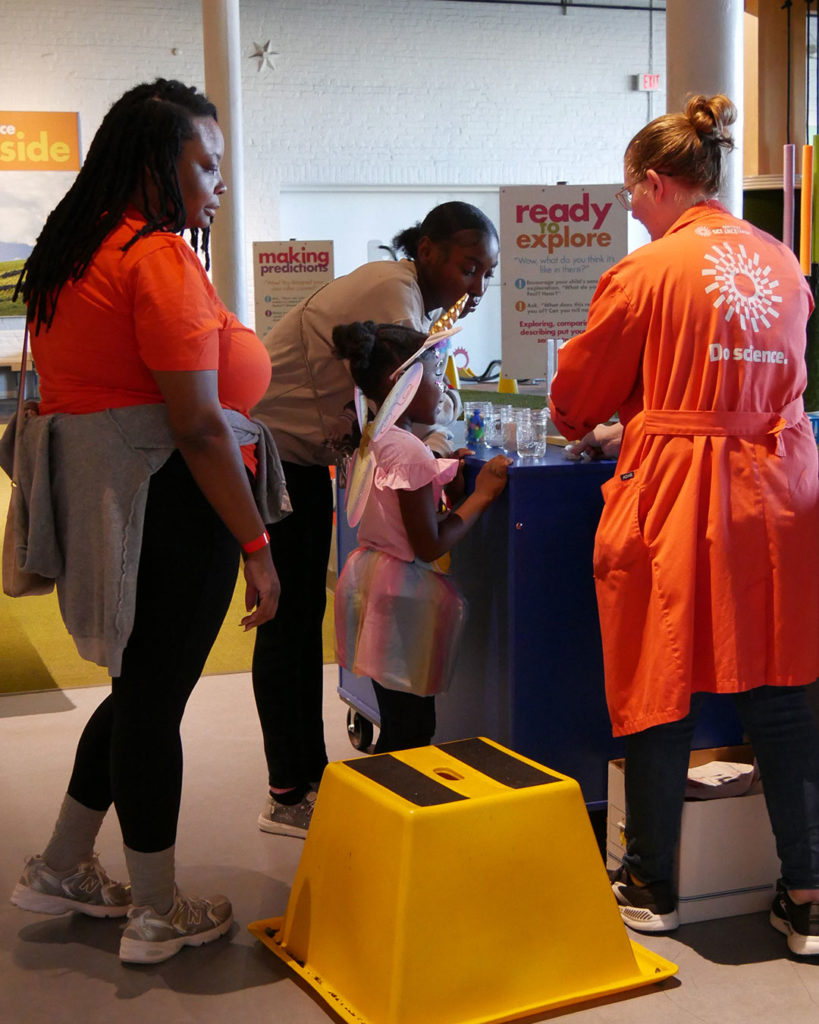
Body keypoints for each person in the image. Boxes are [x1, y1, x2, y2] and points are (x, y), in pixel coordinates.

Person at [3, 79, 288, 964]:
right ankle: (158, 910)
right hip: (171, 503)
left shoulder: (75, 252)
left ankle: (60, 864)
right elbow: (198, 425)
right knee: (154, 707)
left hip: (121, 505)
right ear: (156, 164)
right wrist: (258, 547)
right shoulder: (153, 253)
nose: (217, 182)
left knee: (138, 695)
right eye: (206, 163)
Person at [550, 94, 819, 954]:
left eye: (631, 193)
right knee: (784, 686)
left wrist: (633, 412)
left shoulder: (644, 272)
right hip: (777, 490)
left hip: (674, 491)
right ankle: (807, 897)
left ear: (659, 183)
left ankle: (653, 883)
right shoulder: (782, 262)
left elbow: (576, 399)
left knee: (656, 679)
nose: (628, 209)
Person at [251, 202, 499, 836]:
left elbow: (411, 401)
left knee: (302, 619)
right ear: (429, 249)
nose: (476, 286)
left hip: (303, 459)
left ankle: (304, 783)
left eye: (486, 275)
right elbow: (416, 399)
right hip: (279, 451)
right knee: (289, 623)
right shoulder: (395, 292)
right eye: (469, 267)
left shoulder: (407, 300)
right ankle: (292, 790)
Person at [332, 321, 510, 750]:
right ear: (403, 382)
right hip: (402, 600)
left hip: (374, 586)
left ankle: (389, 799)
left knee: (397, 717)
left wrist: (443, 474)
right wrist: (481, 496)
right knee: (413, 729)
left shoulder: (377, 437)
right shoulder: (409, 451)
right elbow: (429, 543)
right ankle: (403, 806)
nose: (443, 386)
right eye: (435, 375)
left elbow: (401, 498)